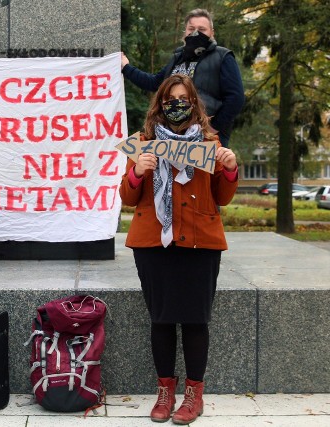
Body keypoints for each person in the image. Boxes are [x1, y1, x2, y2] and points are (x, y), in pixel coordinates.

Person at [119, 74, 238, 424]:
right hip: (154, 244)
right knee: (162, 320)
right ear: (160, 103)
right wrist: (138, 173)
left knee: (196, 321)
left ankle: (193, 396)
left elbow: (223, 197)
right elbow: (127, 199)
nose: (177, 104)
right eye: (170, 99)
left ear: (194, 102)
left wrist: (229, 170)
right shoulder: (142, 143)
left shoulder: (211, 142)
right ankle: (165, 393)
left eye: (183, 98)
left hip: (200, 242)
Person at [121, 8, 244, 147]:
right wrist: (126, 67)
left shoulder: (222, 57)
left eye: (202, 29)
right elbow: (154, 83)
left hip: (206, 137)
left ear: (212, 33)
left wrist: (213, 127)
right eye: (191, 28)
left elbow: (236, 98)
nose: (196, 33)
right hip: (171, 134)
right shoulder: (177, 58)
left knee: (205, 170)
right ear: (185, 32)